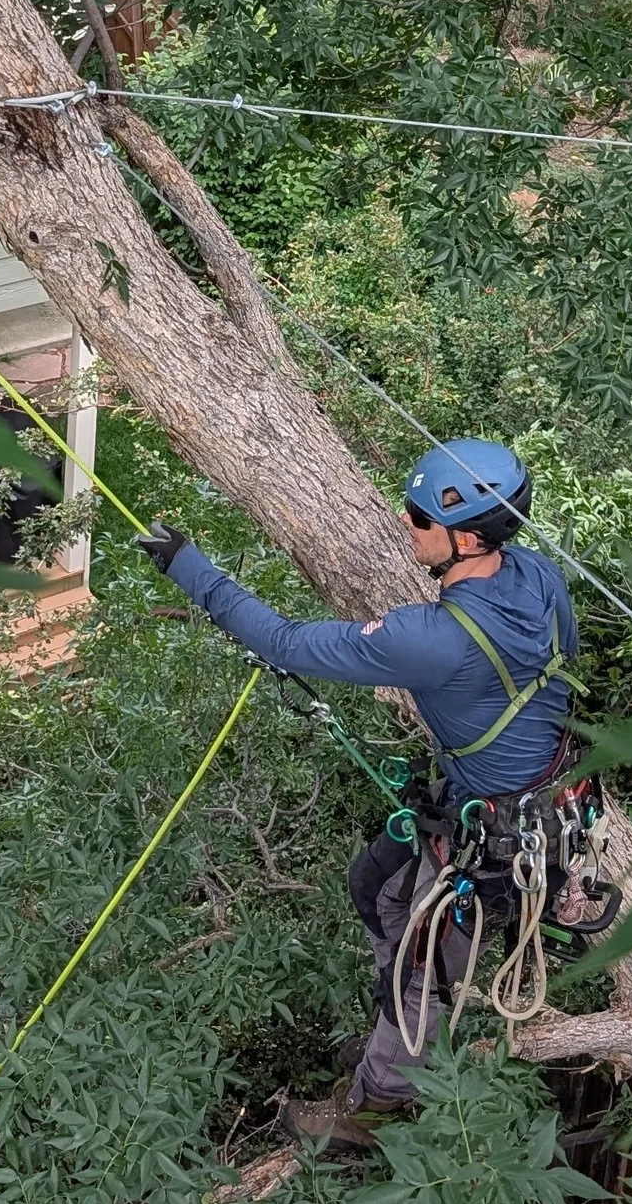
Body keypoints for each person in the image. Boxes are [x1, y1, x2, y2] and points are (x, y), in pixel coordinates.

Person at [140, 440, 607, 1151]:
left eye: (419, 517)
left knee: (418, 965)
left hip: (491, 843)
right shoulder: (538, 577)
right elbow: (558, 664)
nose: (404, 520)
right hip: (524, 806)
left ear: (469, 537)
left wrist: (188, 566)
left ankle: (379, 1102)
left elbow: (288, 643)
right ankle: (402, 1010)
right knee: (375, 883)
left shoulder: (433, 640)